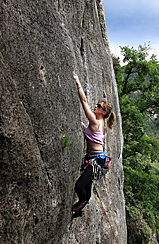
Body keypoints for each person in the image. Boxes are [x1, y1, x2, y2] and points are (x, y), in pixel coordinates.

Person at [72, 72, 116, 212]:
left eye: (99, 106)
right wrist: (86, 130)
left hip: (96, 160)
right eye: (97, 105)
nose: (96, 106)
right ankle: (82, 205)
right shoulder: (101, 123)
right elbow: (94, 136)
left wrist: (78, 83)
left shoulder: (96, 121)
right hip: (97, 159)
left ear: (103, 112)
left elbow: (83, 101)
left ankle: (83, 202)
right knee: (87, 184)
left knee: (79, 186)